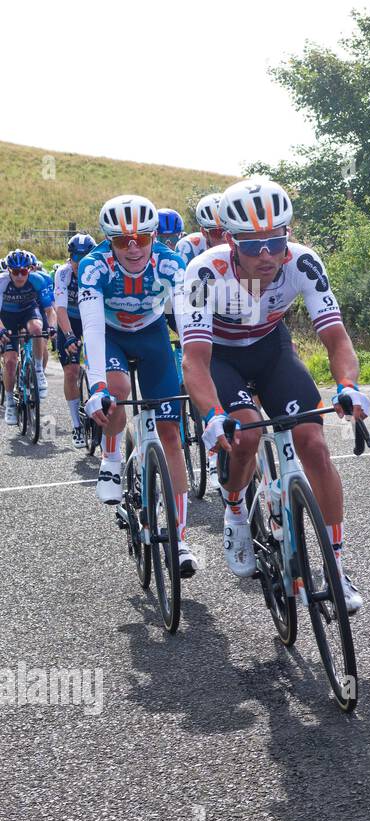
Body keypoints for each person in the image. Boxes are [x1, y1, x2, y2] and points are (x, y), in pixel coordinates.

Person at [179, 178, 368, 611]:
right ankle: (234, 511)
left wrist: (349, 388)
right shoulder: (205, 272)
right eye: (251, 245)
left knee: (314, 445)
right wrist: (210, 416)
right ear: (229, 240)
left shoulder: (302, 262)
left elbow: (336, 339)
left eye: (274, 241)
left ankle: (336, 566)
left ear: (288, 235)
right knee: (244, 436)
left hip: (270, 348)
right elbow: (195, 360)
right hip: (221, 357)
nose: (265, 255)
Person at [79, 195, 199, 576]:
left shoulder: (171, 261)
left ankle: (179, 539)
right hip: (112, 336)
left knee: (172, 435)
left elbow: (187, 316)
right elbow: (93, 329)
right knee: (117, 391)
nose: (133, 248)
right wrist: (96, 386)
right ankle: (111, 460)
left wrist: (198, 370)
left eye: (141, 239)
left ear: (152, 237)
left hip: (152, 337)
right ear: (108, 242)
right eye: (121, 241)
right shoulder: (93, 266)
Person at [1, 249, 55, 421]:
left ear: (30, 270)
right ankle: (9, 402)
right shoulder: (2, 283)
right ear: (8, 270)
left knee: (38, 330)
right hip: (7, 317)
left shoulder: (39, 280)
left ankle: (38, 370)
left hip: (28, 311)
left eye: (23, 271)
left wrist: (52, 327)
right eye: (15, 272)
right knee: (9, 362)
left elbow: (49, 310)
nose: (19, 276)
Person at [52, 233, 96, 446]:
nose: (79, 264)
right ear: (70, 258)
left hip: (91, 319)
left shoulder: (98, 271)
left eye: (84, 259)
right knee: (71, 371)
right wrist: (69, 336)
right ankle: (76, 424)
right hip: (69, 320)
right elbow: (59, 308)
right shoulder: (63, 273)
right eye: (76, 259)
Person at [175, 193, 225, 268]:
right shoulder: (188, 247)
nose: (225, 238)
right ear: (204, 232)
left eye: (231, 232)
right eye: (218, 233)